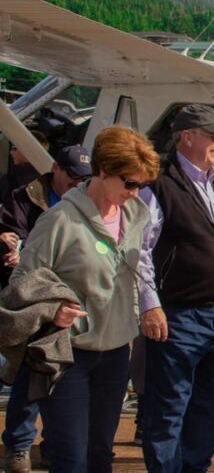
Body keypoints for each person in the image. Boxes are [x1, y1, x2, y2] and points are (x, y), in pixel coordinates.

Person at [7, 125, 160, 471]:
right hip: (67, 355)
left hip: (116, 354)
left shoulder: (136, 216)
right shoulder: (59, 220)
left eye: (142, 185)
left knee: (99, 456)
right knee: (70, 460)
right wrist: (52, 309)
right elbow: (20, 284)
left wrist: (147, 310)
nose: (135, 193)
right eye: (130, 183)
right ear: (102, 171)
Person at [138, 103, 214, 472]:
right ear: (187, 137)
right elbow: (138, 250)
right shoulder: (158, 184)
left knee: (208, 403)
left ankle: (196, 468)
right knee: (169, 404)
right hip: (177, 314)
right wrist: (149, 305)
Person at [1, 144, 92, 473]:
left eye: (84, 177)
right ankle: (19, 444)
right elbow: (15, 232)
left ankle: (55, 444)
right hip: (35, 298)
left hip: (71, 299)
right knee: (33, 371)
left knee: (63, 377)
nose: (77, 182)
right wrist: (10, 245)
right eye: (72, 176)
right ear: (56, 169)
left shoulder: (87, 200)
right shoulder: (25, 196)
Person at [0, 131, 49, 212]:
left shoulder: (12, 180)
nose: (11, 152)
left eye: (15, 148)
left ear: (28, 151)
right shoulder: (46, 177)